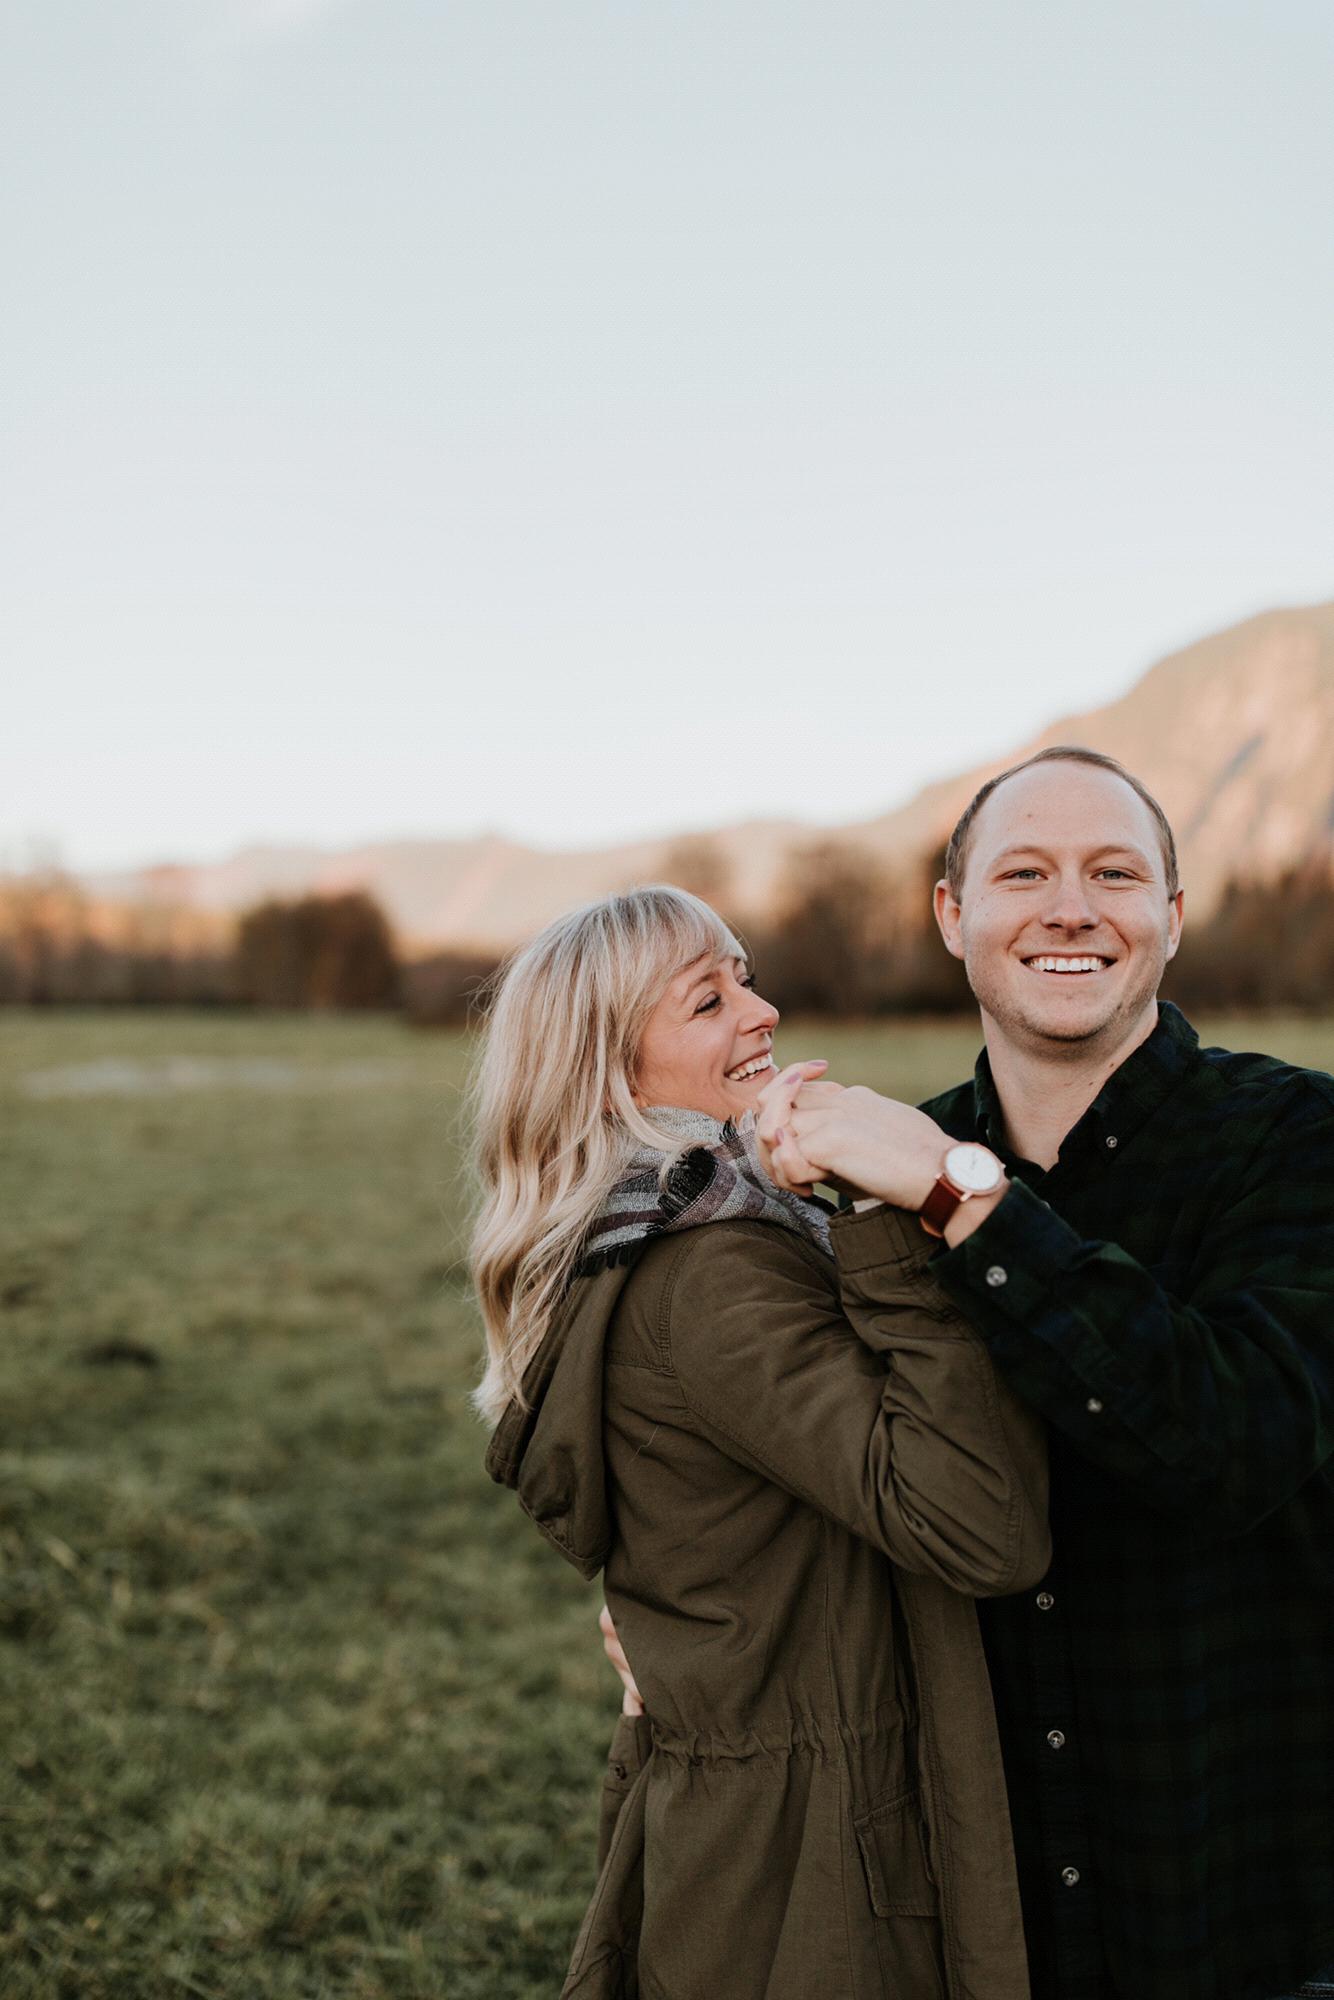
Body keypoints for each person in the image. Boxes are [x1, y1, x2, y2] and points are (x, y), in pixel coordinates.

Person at [743, 746, 1334, 2000]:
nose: (1069, 906)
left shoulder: (1296, 1138)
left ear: (1168, 922)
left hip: (1242, 1896)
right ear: (952, 915)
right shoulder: (884, 1169)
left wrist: (968, 1199)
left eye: (1113, 872)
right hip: (979, 1904)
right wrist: (684, 1613)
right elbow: (838, 1475)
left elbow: (1229, 1444)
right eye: (1022, 872)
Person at [474, 885, 1050, 1999]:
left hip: (745, 1830)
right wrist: (891, 1210)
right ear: (611, 1071)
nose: (762, 1009)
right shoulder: (713, 1272)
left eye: (742, 975)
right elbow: (977, 1521)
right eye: (709, 998)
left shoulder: (640, 1237)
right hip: (820, 1869)